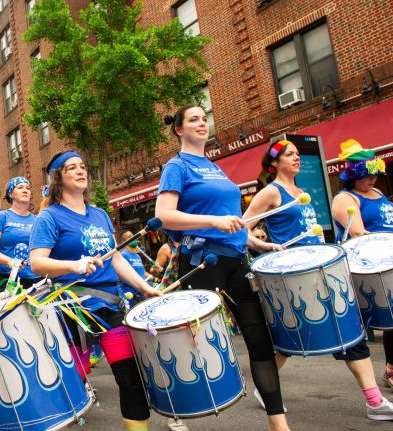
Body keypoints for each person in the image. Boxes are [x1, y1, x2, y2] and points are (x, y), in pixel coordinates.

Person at [154, 105, 290, 431]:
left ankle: (279, 425)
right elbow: (164, 215)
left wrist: (256, 243)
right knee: (195, 343)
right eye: (194, 120)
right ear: (179, 129)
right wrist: (212, 220)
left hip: (236, 259)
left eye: (205, 118)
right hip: (201, 261)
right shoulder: (177, 166)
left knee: (259, 341)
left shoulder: (215, 168)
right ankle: (176, 410)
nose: (203, 123)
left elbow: (233, 220)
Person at [243, 139, 393, 420]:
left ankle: (374, 401)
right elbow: (242, 229)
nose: (297, 158)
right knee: (288, 340)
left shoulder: (301, 192)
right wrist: (265, 246)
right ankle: (266, 389)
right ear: (274, 163)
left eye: (298, 154)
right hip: (294, 275)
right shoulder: (270, 193)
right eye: (290, 154)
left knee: (348, 333)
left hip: (320, 269)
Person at [29, 150, 164, 431]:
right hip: (72, 309)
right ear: (57, 178)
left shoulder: (100, 214)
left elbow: (115, 258)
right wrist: (74, 265)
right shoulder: (49, 217)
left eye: (82, 166)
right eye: (71, 168)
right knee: (72, 382)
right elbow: (37, 262)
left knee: (129, 375)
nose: (80, 171)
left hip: (110, 306)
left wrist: (144, 286)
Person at [331, 139, 393, 415]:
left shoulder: (378, 193)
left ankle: (389, 369)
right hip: (367, 267)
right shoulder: (345, 198)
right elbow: (358, 234)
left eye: (374, 173)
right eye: (366, 174)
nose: (372, 179)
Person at [0, 176, 42, 288]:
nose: (25, 190)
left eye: (28, 188)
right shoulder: (1, 217)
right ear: (11, 194)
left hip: (37, 280)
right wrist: (9, 261)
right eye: (20, 187)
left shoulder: (38, 219)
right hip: (8, 280)